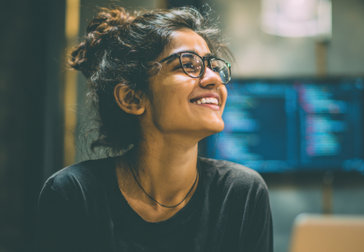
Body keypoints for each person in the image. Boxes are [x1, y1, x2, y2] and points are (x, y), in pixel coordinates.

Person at [35, 6, 273, 252]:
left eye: (214, 66)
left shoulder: (240, 193)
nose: (213, 78)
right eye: (188, 64)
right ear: (132, 98)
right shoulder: (74, 194)